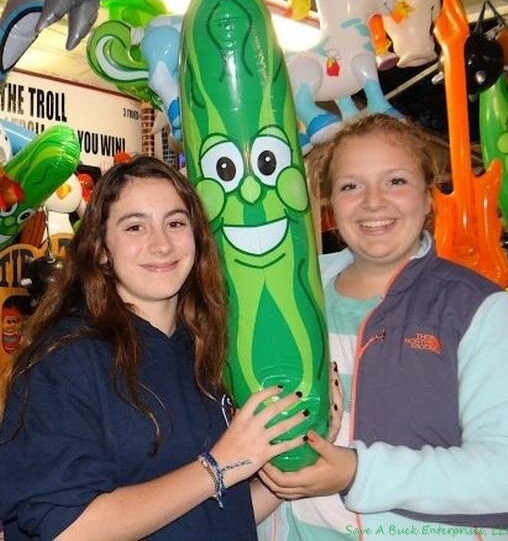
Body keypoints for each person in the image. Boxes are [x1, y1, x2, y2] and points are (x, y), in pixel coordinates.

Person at [0, 156, 306, 540]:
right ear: (100, 250)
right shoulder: (64, 358)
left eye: (175, 223)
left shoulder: (205, 349)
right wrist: (219, 465)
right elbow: (70, 530)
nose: (161, 244)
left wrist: (284, 459)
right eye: (135, 226)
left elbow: (211, 514)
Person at [258, 113, 508, 540]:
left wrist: (358, 473)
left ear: (428, 197)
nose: (373, 202)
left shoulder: (479, 311)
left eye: (395, 181)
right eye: (351, 186)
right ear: (329, 204)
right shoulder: (291, 295)